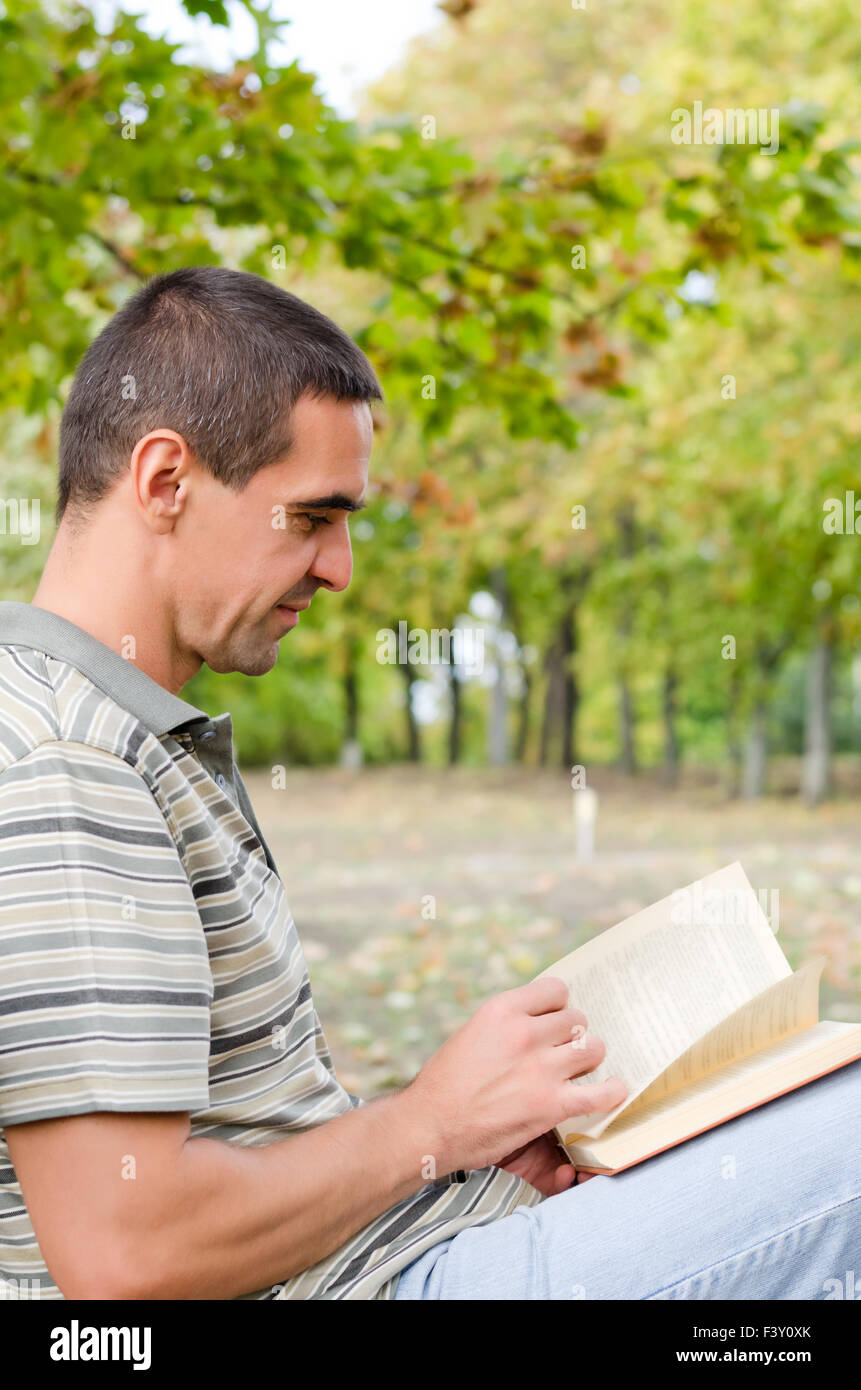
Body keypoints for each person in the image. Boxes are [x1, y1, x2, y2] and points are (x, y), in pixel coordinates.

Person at [0, 267, 857, 1302]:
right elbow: (125, 1255)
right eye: (312, 517)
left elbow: (237, 1138)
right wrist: (430, 1121)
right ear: (165, 480)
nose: (341, 568)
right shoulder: (70, 762)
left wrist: (459, 1153)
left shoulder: (113, 727)